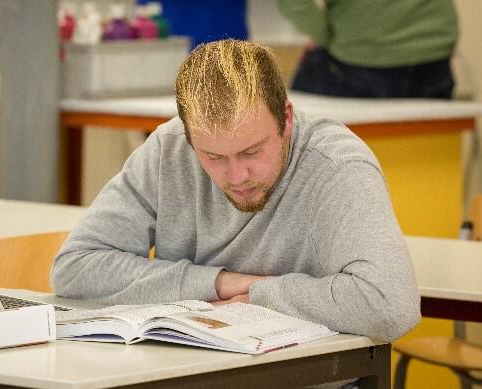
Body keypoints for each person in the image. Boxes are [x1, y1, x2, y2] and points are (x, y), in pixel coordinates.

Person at [51, 39, 420, 342]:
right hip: (187, 372)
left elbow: (391, 304)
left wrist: (261, 296)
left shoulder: (336, 165)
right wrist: (223, 283)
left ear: (286, 119)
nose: (237, 175)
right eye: (212, 156)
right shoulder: (170, 148)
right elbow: (76, 267)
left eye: (252, 151)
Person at [276, 0, 458, 98]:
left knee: (290, 120)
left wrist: (326, 37)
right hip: (435, 56)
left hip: (358, 62)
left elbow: (294, 4)